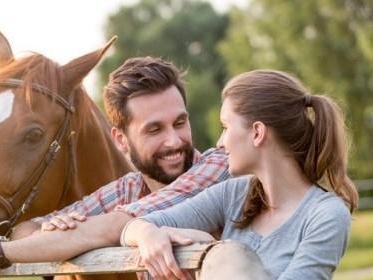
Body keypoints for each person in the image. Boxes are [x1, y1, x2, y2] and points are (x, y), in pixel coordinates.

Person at [0, 57, 229, 280]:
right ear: (121, 139)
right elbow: (24, 231)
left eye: (179, 123)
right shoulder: (126, 189)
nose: (173, 141)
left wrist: (0, 253)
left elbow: (111, 227)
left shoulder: (219, 167)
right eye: (154, 129)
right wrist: (49, 226)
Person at [122, 69, 359, 279]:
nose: (220, 143)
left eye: (226, 127)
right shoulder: (234, 193)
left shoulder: (325, 215)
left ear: (257, 132)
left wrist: (212, 250)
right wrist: (148, 235)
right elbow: (135, 226)